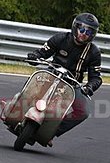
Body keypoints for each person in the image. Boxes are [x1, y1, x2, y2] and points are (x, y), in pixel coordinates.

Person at [25, 12, 102, 145]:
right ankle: (16, 110)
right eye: (82, 29)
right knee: (33, 82)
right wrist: (34, 56)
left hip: (72, 84)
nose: (84, 33)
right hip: (52, 74)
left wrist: (89, 87)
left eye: (88, 32)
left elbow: (96, 78)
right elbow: (42, 52)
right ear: (75, 27)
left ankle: (50, 132)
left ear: (92, 35)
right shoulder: (60, 38)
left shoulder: (93, 52)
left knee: (83, 112)